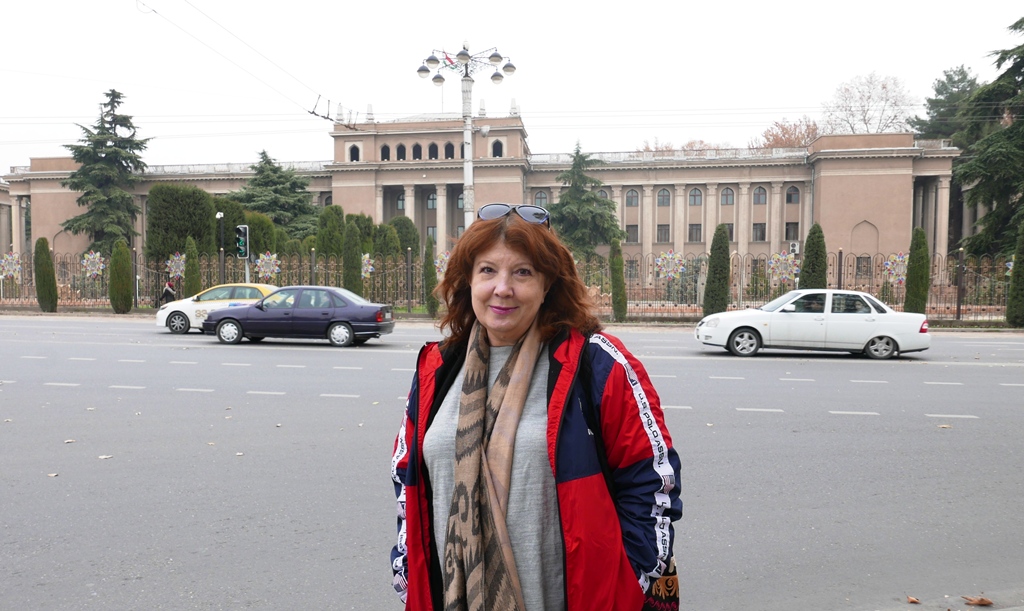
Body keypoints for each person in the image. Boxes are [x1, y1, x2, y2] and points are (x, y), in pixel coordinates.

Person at [390, 203, 683, 610]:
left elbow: (652, 481)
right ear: (468, 280)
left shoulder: (597, 365)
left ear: (548, 285)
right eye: (487, 270)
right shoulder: (436, 369)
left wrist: (625, 582)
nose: (502, 288)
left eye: (523, 272)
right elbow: (406, 480)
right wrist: (406, 571)